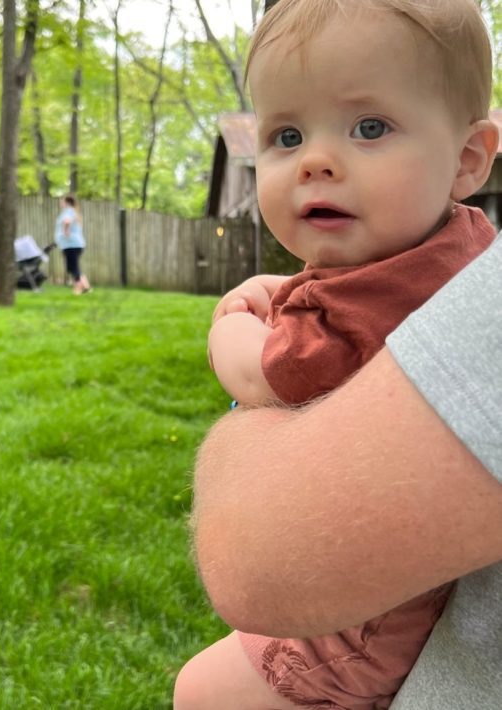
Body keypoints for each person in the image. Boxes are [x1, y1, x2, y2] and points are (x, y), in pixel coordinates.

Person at [174, 0, 500, 708]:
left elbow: (272, 372)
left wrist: (229, 328)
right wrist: (293, 293)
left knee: (201, 689)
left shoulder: (374, 294)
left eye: (370, 127)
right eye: (287, 134)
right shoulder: (462, 249)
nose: (318, 160)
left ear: (468, 157)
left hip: (363, 631)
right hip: (409, 594)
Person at [55, 194, 91, 295]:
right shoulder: (73, 211)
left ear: (66, 202)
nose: (60, 203)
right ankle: (86, 287)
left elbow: (67, 221)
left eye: (62, 201)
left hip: (71, 244)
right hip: (73, 244)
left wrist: (65, 231)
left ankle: (78, 289)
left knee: (73, 268)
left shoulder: (69, 211)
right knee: (74, 267)